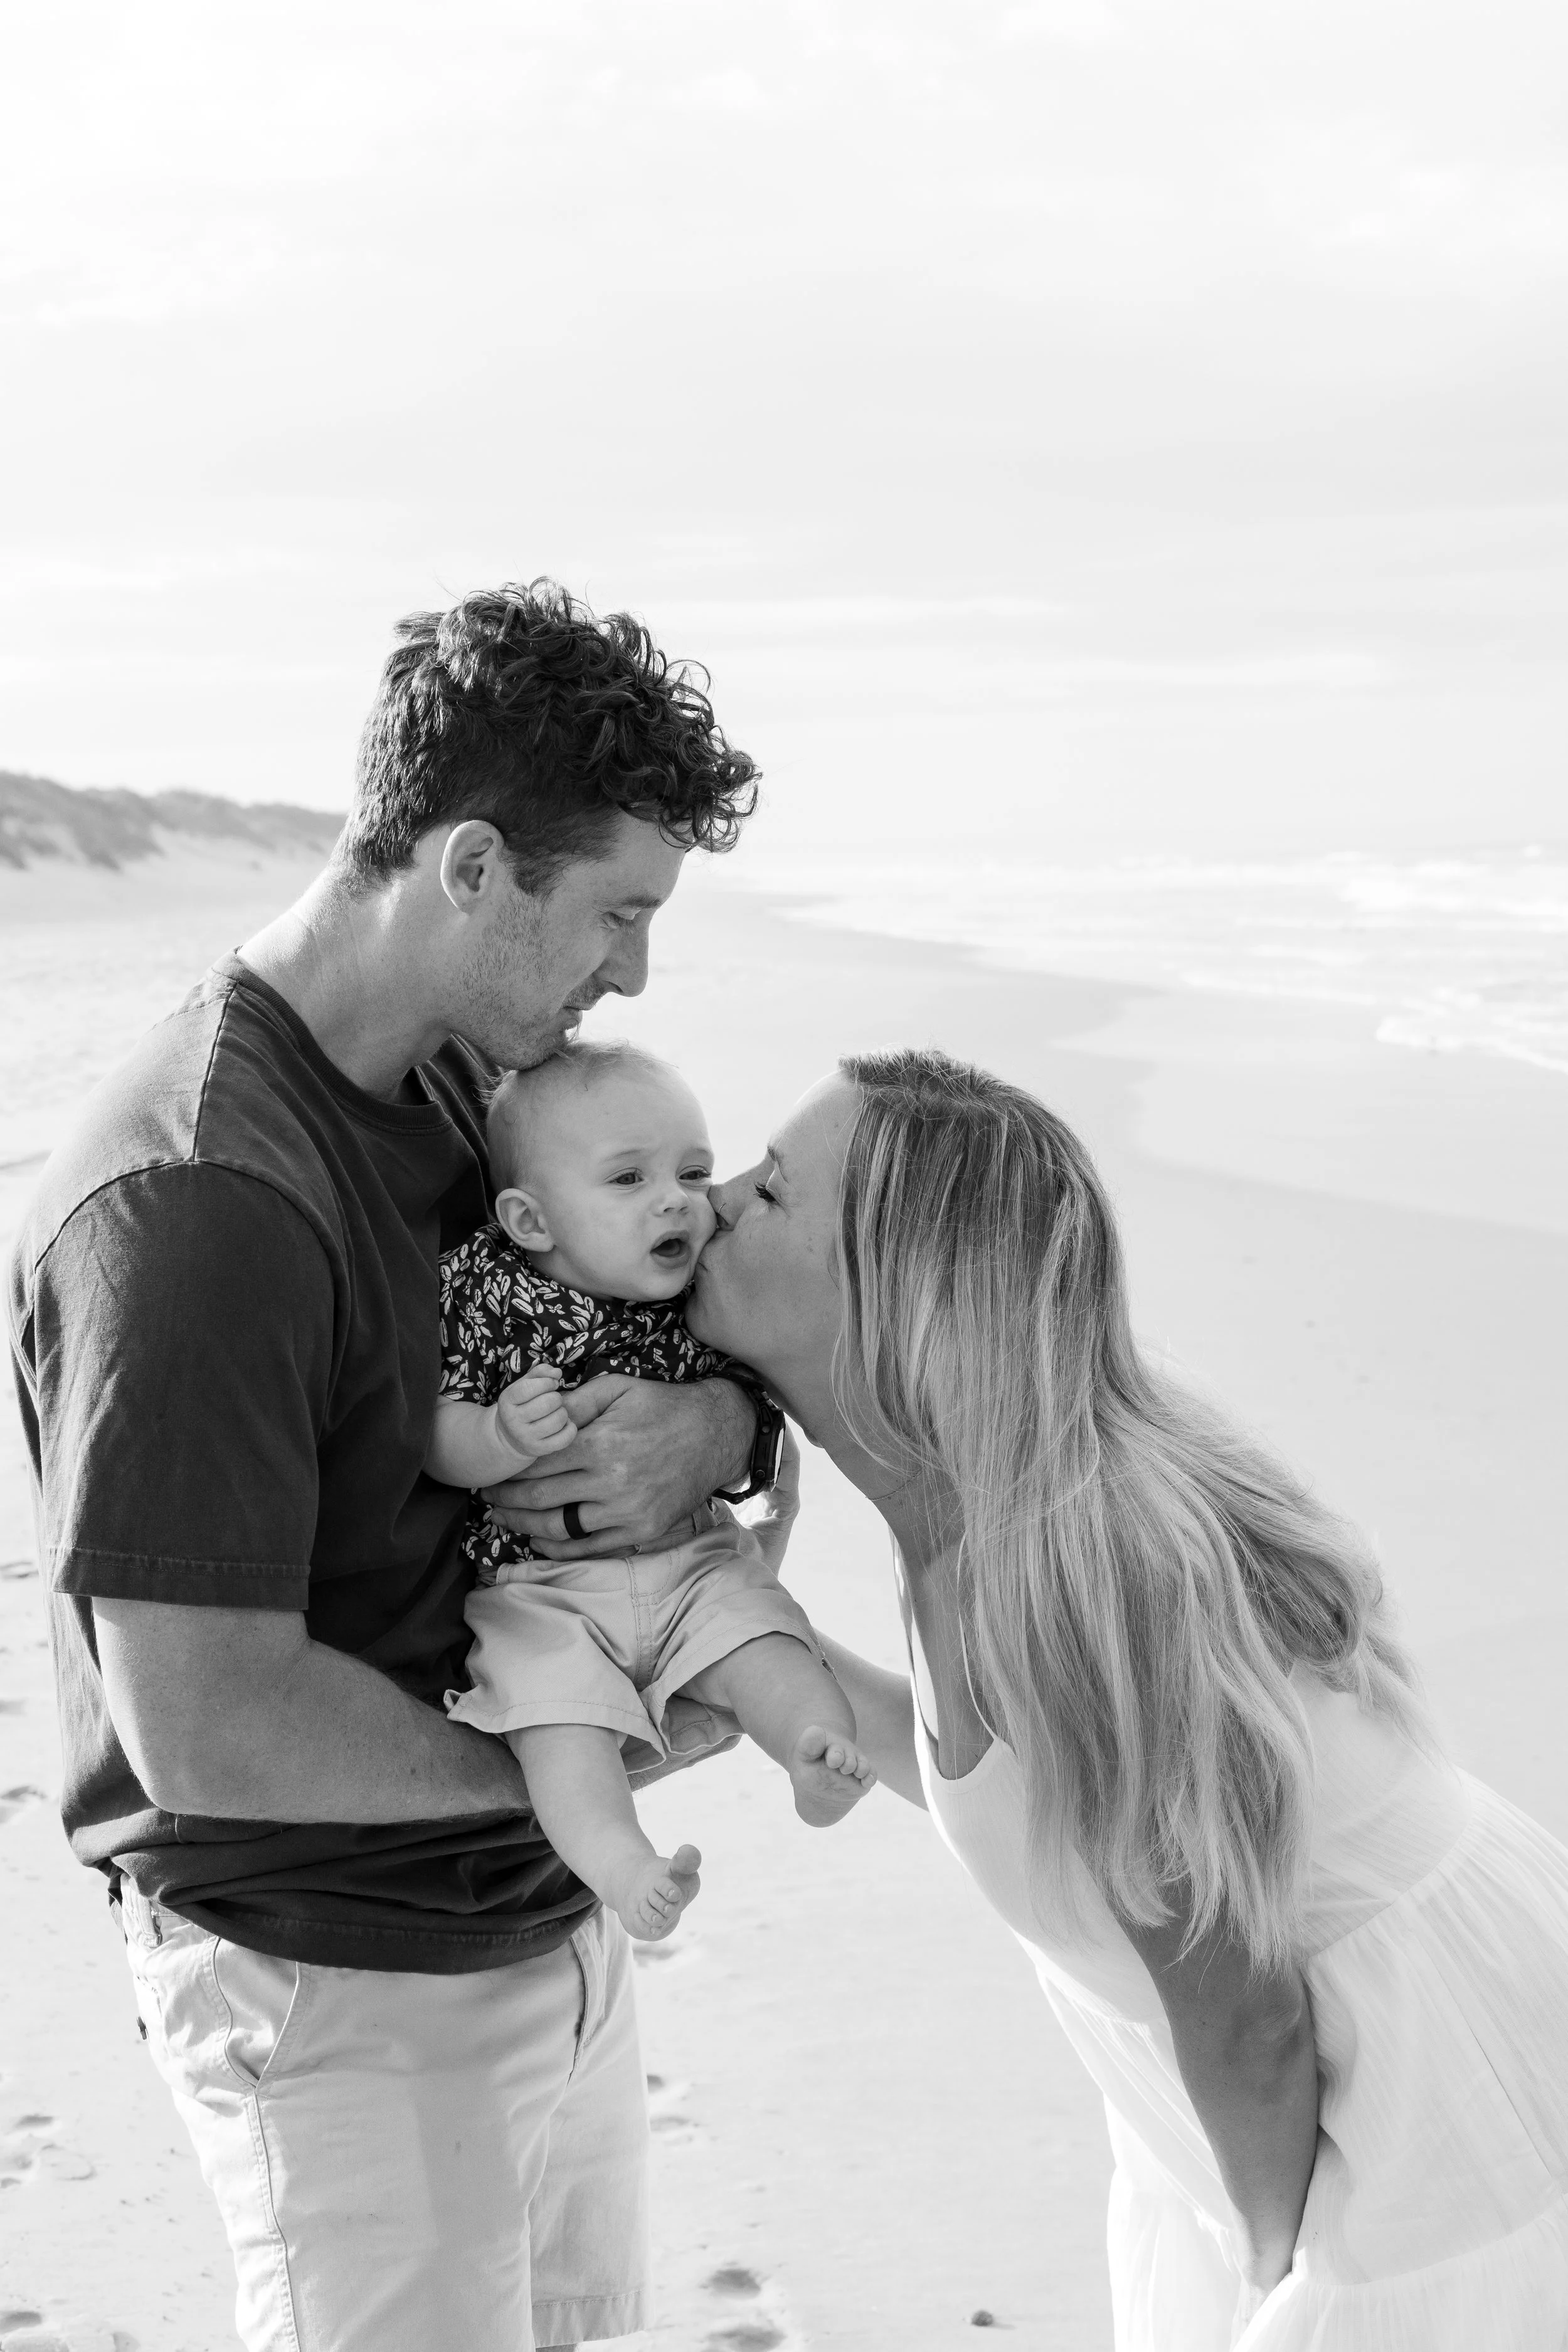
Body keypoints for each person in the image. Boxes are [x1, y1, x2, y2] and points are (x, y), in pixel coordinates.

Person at [7, 581, 786, 2352]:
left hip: (532, 1919)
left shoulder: (463, 1086)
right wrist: (593, 1780)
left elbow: (654, 1322)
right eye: (615, 912)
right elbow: (204, 1714)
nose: (635, 972)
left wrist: (721, 1424)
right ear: (468, 866)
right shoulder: (197, 1202)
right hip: (335, 1978)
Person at [687, 1046, 1568, 2351]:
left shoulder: (1068, 1567)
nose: (711, 1199)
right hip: (1271, 2094)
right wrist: (749, 1626)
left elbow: (1236, 2000)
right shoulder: (968, 1500)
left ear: (899, 1296)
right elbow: (998, 1788)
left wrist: (1274, 2275)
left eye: (768, 1194)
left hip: (1433, 2099)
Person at [426, 1036, 874, 1941]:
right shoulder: (483, 1290)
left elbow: (761, 1400)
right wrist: (496, 1435)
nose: (678, 1198)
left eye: (694, 1169)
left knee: (762, 1640)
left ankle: (815, 1753)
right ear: (532, 1220)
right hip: (538, 1592)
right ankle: (625, 1867)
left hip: (693, 1559)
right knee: (559, 1731)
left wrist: (723, 1422)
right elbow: (434, 1431)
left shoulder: (700, 1283)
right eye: (628, 1180)